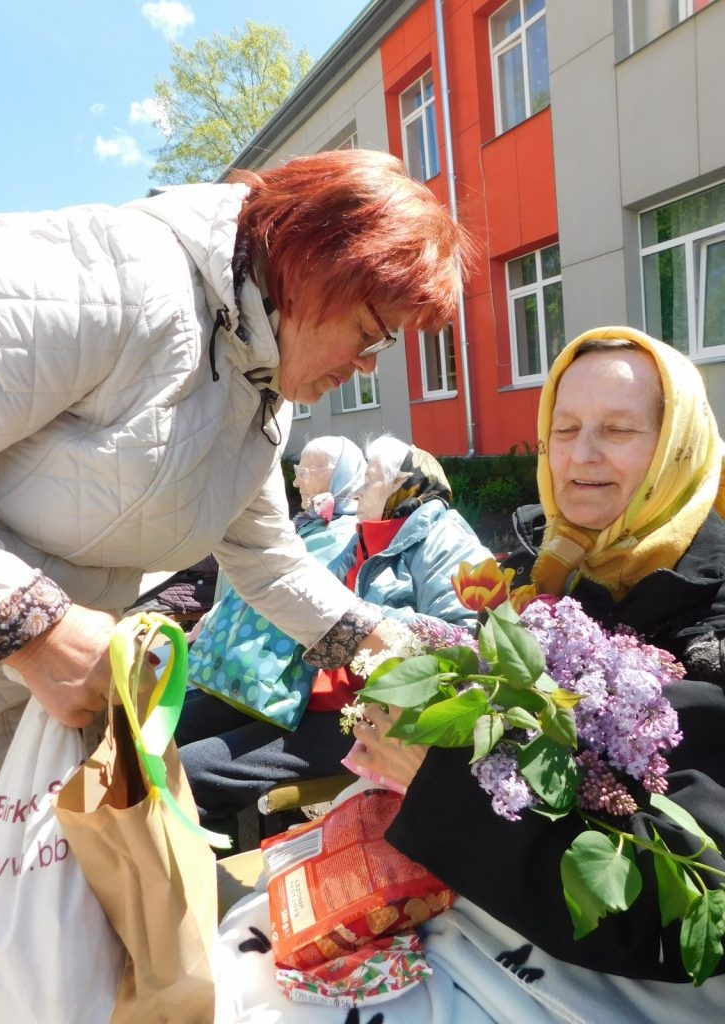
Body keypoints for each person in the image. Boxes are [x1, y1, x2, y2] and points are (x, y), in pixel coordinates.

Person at [0, 148, 475, 865]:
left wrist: (385, 645)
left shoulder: (260, 391)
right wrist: (34, 628)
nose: (367, 366)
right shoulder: (115, 276)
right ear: (320, 263)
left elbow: (267, 561)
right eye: (372, 334)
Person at [213, 327, 725, 1023]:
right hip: (467, 900)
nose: (581, 455)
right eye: (566, 427)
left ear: (678, 451)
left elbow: (686, 908)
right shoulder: (546, 572)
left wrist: (436, 778)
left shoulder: (709, 628)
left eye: (619, 430)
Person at [177, 434, 492, 846]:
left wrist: (361, 621)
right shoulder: (361, 536)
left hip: (367, 714)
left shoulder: (442, 536)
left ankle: (190, 880)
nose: (361, 483)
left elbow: (467, 641)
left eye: (374, 475)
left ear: (405, 485)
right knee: (172, 727)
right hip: (305, 690)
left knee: (190, 769)